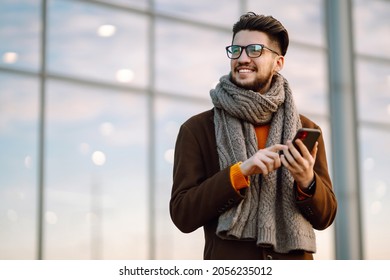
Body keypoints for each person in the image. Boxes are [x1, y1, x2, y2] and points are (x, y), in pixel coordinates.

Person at [169, 12, 337, 260]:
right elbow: (183, 214)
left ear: (278, 62)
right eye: (236, 49)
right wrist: (239, 173)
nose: (243, 58)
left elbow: (326, 217)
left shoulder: (306, 128)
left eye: (255, 49)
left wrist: (307, 181)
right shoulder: (197, 129)